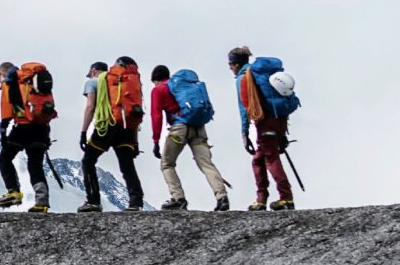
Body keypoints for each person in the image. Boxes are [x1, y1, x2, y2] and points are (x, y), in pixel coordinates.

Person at [150, 65, 229, 211]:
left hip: (179, 129)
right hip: (198, 127)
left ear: (155, 80)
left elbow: (156, 117)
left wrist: (156, 141)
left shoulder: (158, 90)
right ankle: (222, 196)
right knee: (206, 164)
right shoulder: (181, 87)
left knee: (167, 164)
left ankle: (178, 198)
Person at [229, 46, 294, 211]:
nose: (230, 68)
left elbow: (244, 108)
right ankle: (261, 199)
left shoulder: (244, 78)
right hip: (279, 120)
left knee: (270, 158)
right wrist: (282, 134)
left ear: (236, 64)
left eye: (230, 64)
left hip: (265, 123)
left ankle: (286, 198)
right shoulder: (262, 75)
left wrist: (244, 132)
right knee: (258, 159)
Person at [78, 56, 144, 212]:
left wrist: (83, 132)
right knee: (127, 165)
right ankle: (136, 202)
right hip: (127, 129)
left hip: (107, 125)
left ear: (93, 71)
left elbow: (90, 107)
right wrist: (135, 142)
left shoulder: (94, 82)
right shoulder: (127, 84)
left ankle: (93, 201)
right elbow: (132, 115)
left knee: (88, 161)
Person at [0, 61, 52, 213]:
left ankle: (13, 191)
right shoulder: (32, 82)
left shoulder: (10, 81)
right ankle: (42, 201)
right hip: (42, 128)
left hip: (23, 127)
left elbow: (7, 110)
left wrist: (3, 132)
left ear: (2, 73)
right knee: (35, 165)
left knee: (4, 158)